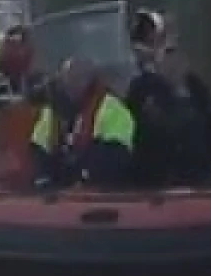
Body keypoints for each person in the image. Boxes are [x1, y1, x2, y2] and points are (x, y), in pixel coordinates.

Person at [125, 36, 211, 186]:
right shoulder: (144, 89)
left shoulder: (198, 89)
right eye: (167, 55)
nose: (173, 63)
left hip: (199, 169)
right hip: (159, 173)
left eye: (178, 56)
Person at [30, 56, 136, 188]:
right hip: (59, 190)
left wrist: (84, 174)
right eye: (67, 79)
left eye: (78, 79)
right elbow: (39, 150)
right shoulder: (51, 111)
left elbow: (117, 155)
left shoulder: (114, 110)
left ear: (90, 81)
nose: (72, 84)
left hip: (102, 189)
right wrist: (43, 178)